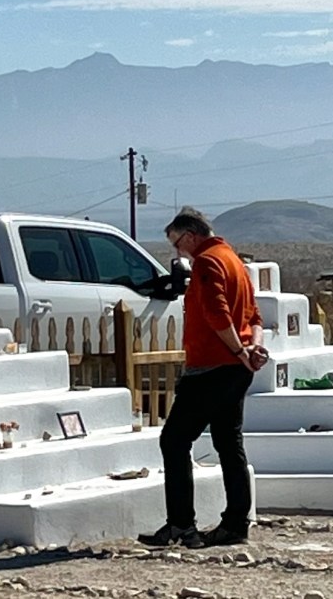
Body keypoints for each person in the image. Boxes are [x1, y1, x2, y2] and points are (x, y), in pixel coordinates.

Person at [138, 207, 266, 549]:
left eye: (178, 244)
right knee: (228, 441)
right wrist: (253, 349)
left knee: (175, 440)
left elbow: (217, 314)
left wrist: (239, 351)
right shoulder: (233, 260)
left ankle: (182, 524)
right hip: (236, 368)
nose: (179, 253)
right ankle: (236, 523)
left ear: (190, 236)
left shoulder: (208, 262)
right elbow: (255, 315)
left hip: (212, 367)